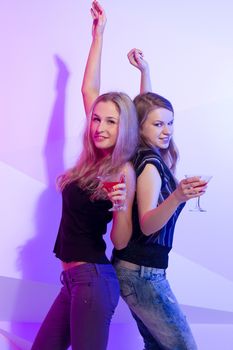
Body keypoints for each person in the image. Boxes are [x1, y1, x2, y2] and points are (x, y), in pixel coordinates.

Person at [81, 2, 208, 349]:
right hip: (141, 273)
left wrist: (145, 71)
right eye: (158, 124)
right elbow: (149, 223)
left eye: (170, 123)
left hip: (141, 271)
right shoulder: (147, 162)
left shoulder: (146, 153)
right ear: (141, 127)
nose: (166, 130)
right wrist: (99, 36)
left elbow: (145, 107)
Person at [31, 7, 138, 350]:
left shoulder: (122, 168)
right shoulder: (92, 162)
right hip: (74, 281)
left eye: (111, 122)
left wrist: (122, 207)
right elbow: (89, 89)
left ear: (125, 127)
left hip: (93, 280)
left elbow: (120, 241)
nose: (99, 127)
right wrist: (98, 35)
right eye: (97, 120)